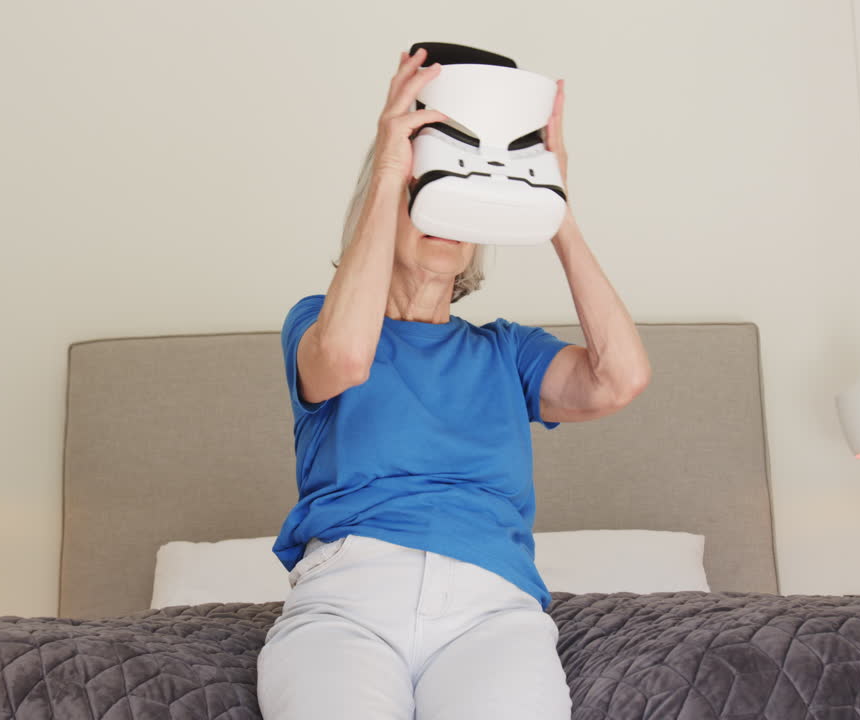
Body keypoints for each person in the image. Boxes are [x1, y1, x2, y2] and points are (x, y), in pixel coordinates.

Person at [257, 47, 652, 720]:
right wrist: (390, 165)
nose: (443, 216)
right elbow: (346, 359)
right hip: (347, 602)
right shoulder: (315, 324)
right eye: (426, 192)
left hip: (490, 610)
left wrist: (555, 210)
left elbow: (620, 378)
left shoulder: (506, 352)